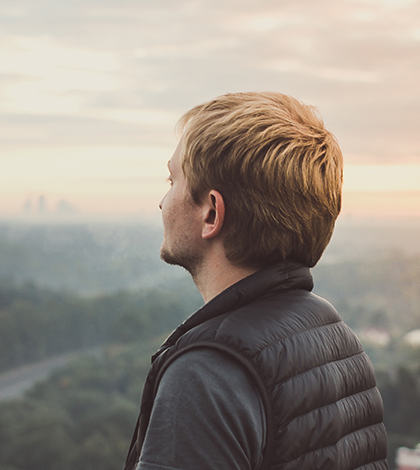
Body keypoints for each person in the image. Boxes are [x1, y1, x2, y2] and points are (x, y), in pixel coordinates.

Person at [124, 92, 388, 470]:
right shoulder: (335, 338)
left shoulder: (206, 374)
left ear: (212, 213)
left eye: (172, 179)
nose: (162, 202)